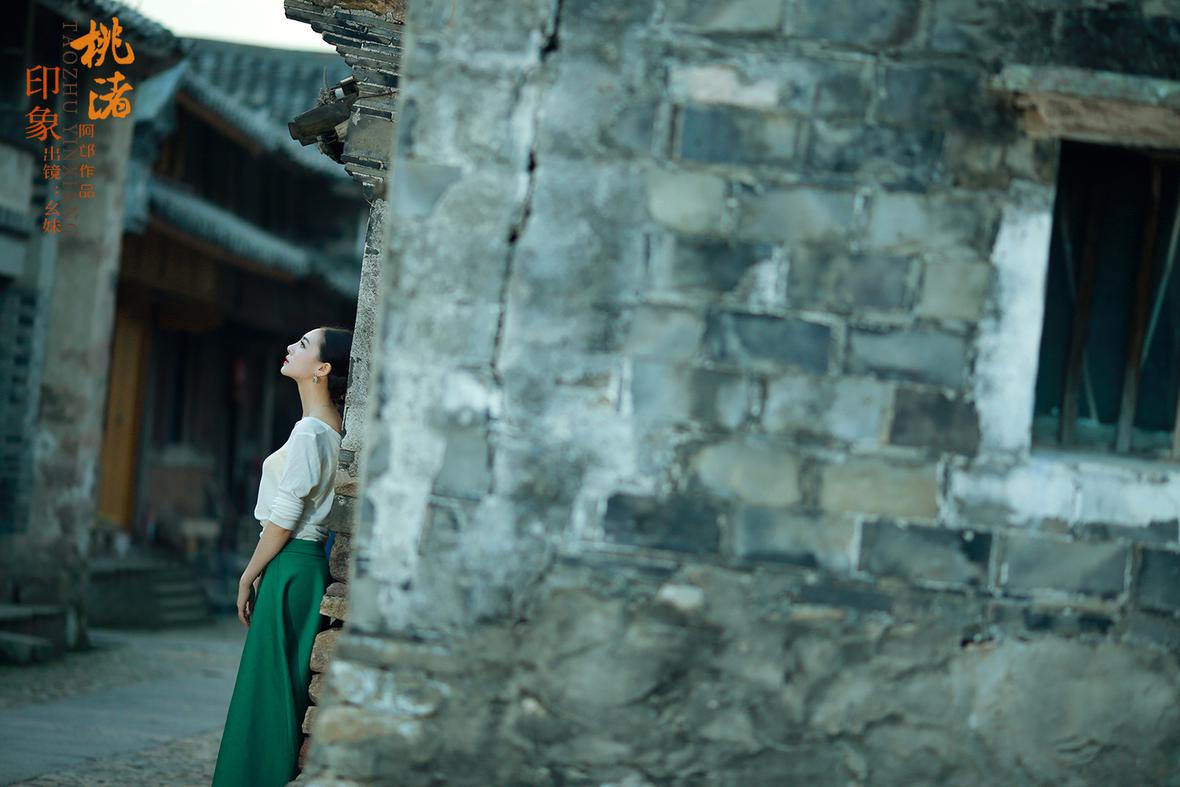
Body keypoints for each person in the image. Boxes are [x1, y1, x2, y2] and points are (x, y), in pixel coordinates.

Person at [212, 326, 352, 787]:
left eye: (304, 345)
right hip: (303, 567)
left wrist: (247, 575)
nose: (291, 348)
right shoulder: (332, 428)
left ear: (322, 368)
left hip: (289, 562)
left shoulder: (309, 431)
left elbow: (284, 516)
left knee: (266, 689)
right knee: (280, 686)